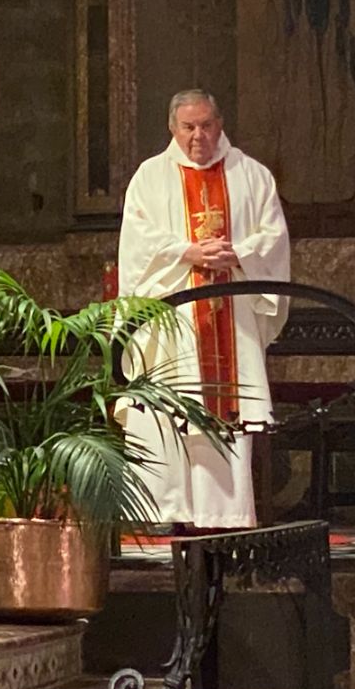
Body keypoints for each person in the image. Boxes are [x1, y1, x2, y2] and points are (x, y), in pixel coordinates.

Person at [119, 89, 290, 530]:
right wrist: (189, 252)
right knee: (170, 408)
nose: (199, 136)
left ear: (220, 123)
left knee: (227, 405)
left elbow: (273, 238)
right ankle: (166, 511)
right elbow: (138, 243)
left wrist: (236, 254)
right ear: (172, 128)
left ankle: (225, 514)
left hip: (231, 315)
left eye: (206, 125)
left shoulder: (251, 175)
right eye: (188, 127)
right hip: (175, 321)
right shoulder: (150, 177)